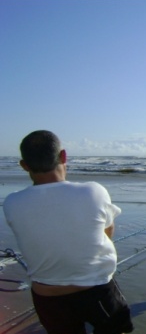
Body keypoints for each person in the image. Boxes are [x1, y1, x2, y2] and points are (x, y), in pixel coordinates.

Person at [2, 130, 133, 334]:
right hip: (96, 290)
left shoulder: (11, 202)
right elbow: (108, 231)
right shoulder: (93, 191)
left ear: (24, 165)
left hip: (48, 297)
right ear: (63, 156)